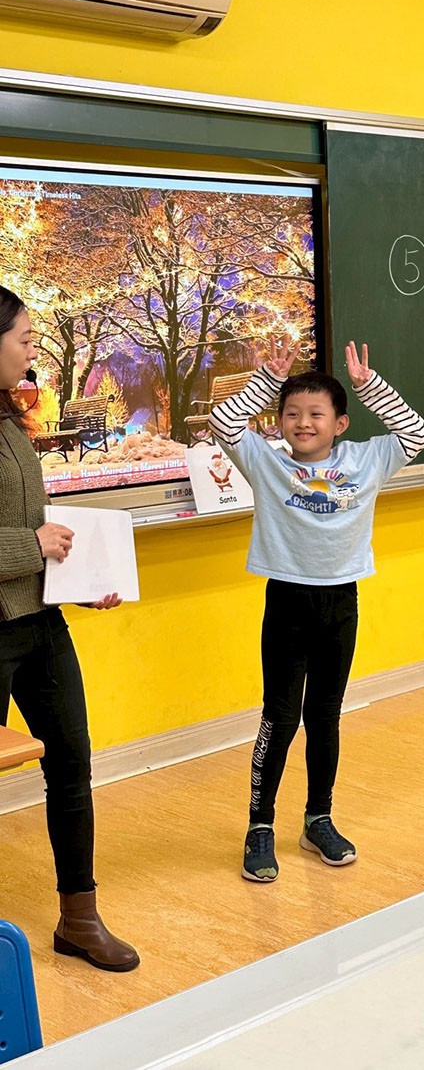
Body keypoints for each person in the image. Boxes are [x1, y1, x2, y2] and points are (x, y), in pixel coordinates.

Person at [210, 337, 424, 882]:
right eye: (291, 414)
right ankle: (260, 826)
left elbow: (417, 434)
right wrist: (267, 380)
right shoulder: (265, 461)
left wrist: (368, 386)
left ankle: (318, 819)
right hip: (287, 600)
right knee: (280, 718)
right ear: (278, 421)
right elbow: (223, 423)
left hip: (340, 601)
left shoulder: (367, 460)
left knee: (325, 716)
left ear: (340, 424)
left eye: (316, 414)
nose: (303, 423)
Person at [0, 285, 139, 971]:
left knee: (73, 766)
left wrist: (77, 582)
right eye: (24, 338)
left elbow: (36, 525)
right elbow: (28, 536)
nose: (33, 350)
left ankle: (79, 920)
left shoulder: (10, 419)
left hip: (42, 623)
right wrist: (33, 548)